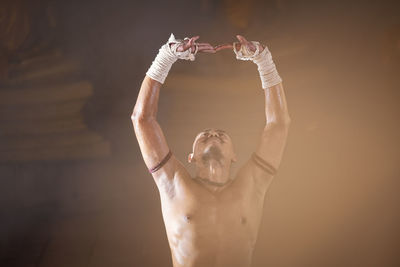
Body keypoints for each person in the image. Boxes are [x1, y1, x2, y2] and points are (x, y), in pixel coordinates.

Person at [131, 33, 291, 267]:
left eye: (221, 135)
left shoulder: (252, 185)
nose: (213, 135)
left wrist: (264, 61)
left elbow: (278, 125)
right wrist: (165, 57)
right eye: (204, 135)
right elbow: (142, 119)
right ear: (191, 157)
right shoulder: (174, 183)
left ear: (235, 156)